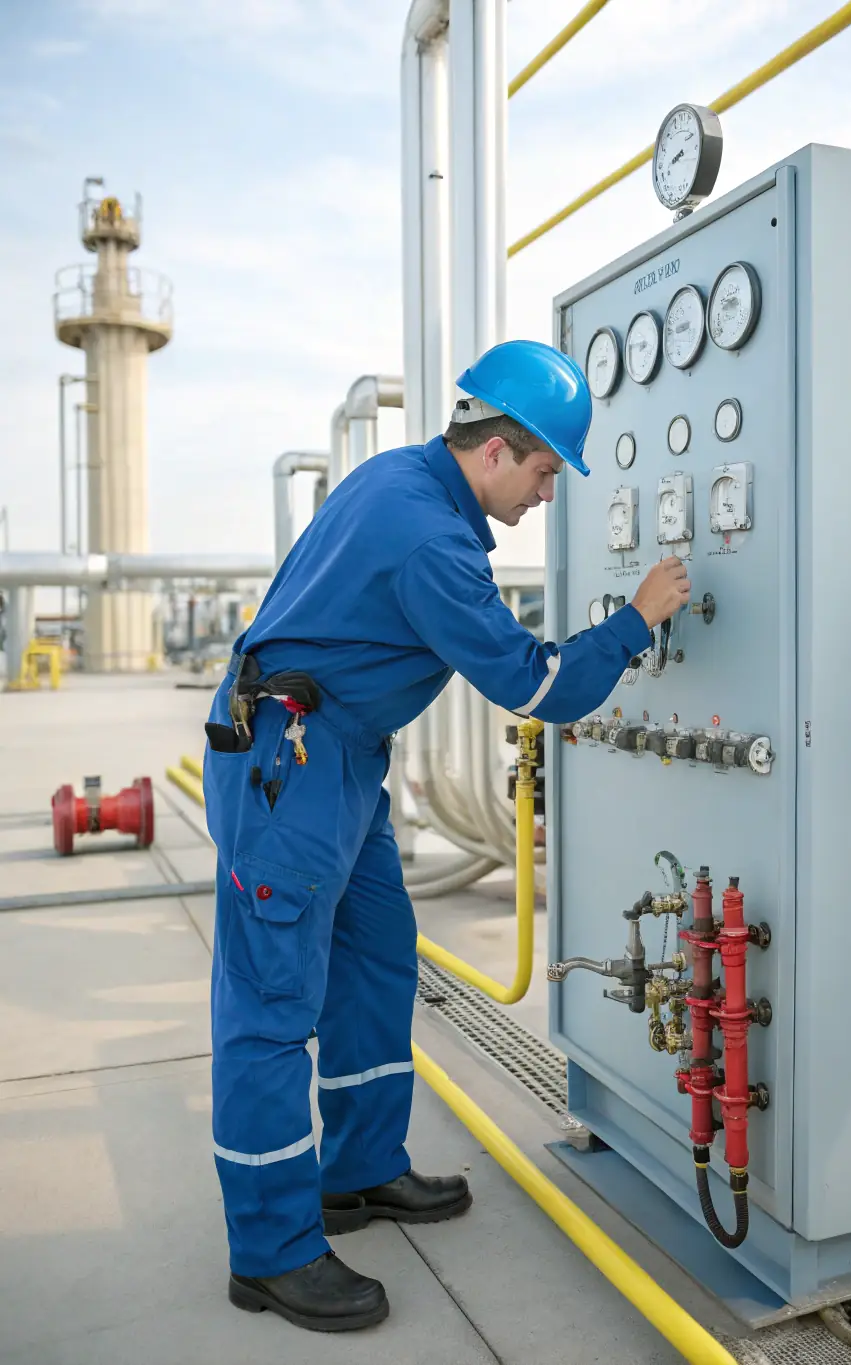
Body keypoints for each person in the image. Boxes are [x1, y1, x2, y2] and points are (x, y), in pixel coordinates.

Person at [202, 338, 692, 1333]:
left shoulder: (403, 479)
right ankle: (270, 1249)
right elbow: (535, 683)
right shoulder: (426, 533)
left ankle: (359, 1170)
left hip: (336, 761)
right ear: (499, 451)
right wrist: (636, 620)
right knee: (270, 1008)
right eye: (549, 472)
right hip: (289, 769)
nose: (549, 497)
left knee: (377, 960)